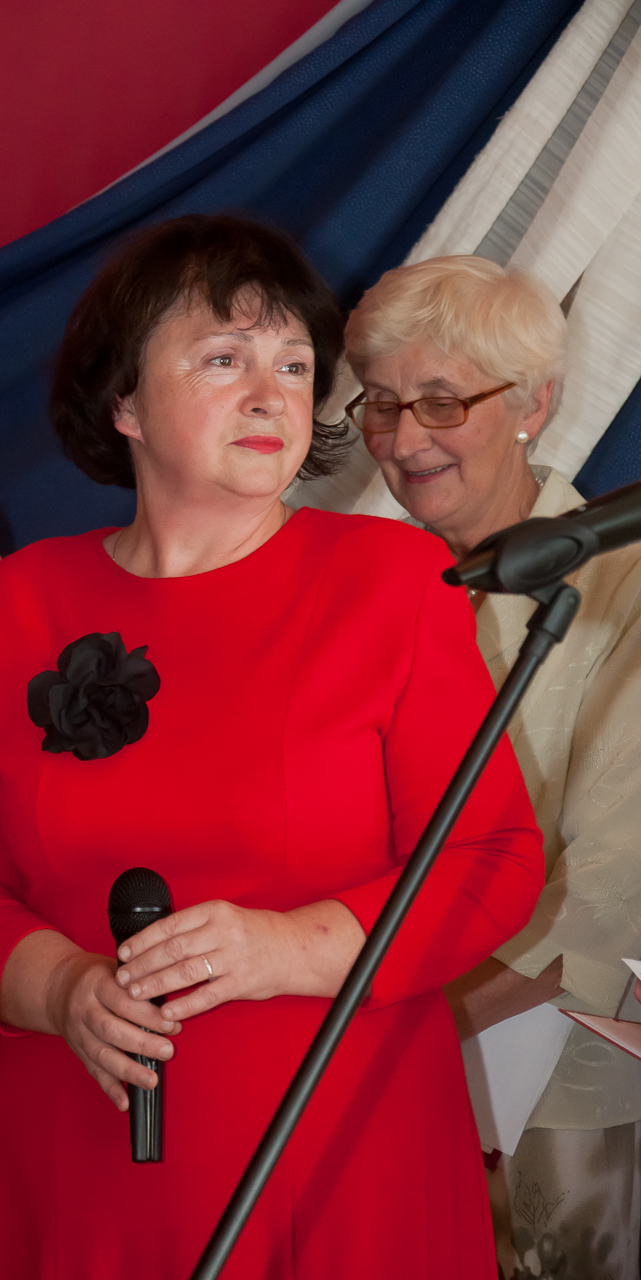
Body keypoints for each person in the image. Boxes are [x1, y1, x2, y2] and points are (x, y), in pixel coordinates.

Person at [0, 215, 542, 1280]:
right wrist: (60, 987)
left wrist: (286, 948)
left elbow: (493, 860)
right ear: (124, 402)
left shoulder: (394, 583)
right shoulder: (5, 610)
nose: (273, 394)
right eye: (224, 358)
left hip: (342, 1151)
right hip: (85, 1147)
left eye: (294, 364)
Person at [343, 255, 641, 1280]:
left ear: (534, 404)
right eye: (381, 405)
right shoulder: (363, 596)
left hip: (557, 1093)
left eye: (440, 402)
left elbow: (605, 898)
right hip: (380, 1059)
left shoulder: (624, 584)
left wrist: (395, 1033)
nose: (402, 441)